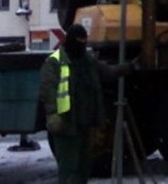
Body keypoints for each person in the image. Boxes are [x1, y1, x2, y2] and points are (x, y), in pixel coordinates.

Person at [39, 24, 132, 184]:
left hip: (84, 122)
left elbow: (106, 72)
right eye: (79, 41)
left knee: (83, 167)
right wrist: (53, 113)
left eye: (84, 41)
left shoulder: (87, 59)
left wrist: (126, 68)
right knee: (69, 167)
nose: (82, 45)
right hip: (66, 123)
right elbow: (48, 90)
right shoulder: (55, 61)